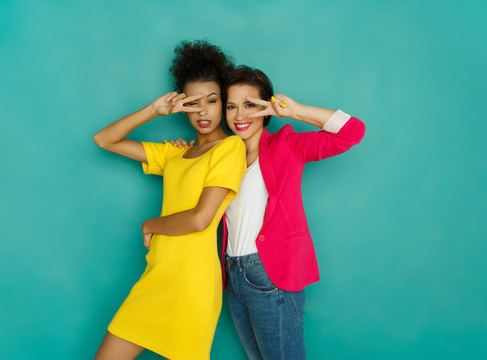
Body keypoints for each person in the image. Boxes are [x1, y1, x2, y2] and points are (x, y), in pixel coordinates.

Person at [170, 65, 365, 359]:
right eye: (232, 106)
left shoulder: (286, 145)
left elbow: (352, 132)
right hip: (233, 274)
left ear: (266, 107)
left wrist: (295, 111)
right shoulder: (221, 154)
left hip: (271, 274)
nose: (240, 116)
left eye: (250, 105)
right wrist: (183, 151)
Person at [92, 41, 246, 360]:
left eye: (213, 101)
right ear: (182, 105)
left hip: (193, 285)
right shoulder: (175, 153)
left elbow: (200, 219)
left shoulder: (230, 150)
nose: (203, 111)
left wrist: (151, 225)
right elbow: (104, 140)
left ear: (223, 102)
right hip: (156, 277)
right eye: (193, 103)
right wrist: (154, 110)